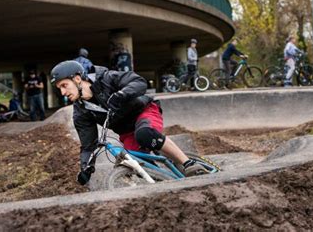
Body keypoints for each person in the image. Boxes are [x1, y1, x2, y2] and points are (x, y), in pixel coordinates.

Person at [50, 60, 207, 185]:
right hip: (126, 132)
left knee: (144, 134)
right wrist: (86, 168)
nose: (63, 92)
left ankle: (188, 163)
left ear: (77, 79)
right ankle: (165, 185)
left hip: (143, 112)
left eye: (64, 85)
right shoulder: (81, 112)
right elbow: (88, 145)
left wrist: (121, 94)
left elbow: (139, 82)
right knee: (134, 164)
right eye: (59, 89)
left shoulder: (106, 78)